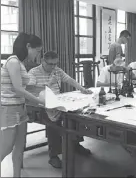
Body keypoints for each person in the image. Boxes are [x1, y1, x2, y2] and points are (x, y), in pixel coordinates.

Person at [27, 51, 93, 168]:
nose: (53, 67)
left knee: (76, 114)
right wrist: (48, 84)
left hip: (57, 101)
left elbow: (70, 80)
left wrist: (83, 89)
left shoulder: (57, 70)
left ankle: (75, 144)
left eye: (55, 64)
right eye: (50, 64)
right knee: (52, 120)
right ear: (43, 61)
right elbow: (30, 89)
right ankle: (53, 156)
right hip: (41, 104)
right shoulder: (34, 72)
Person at [1, 32, 45, 177]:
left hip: (20, 108)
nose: (38, 55)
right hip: (9, 109)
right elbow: (18, 89)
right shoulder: (13, 61)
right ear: (28, 46)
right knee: (6, 147)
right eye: (37, 51)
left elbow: (25, 85)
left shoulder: (20, 63)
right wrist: (40, 101)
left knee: (19, 148)